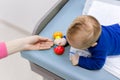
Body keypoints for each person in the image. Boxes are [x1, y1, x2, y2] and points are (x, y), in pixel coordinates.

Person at [54, 15, 120, 70]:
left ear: (93, 44)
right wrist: (65, 39)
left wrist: (79, 60)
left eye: (75, 45)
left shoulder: (100, 48)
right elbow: (75, 35)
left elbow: (98, 64)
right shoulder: (94, 30)